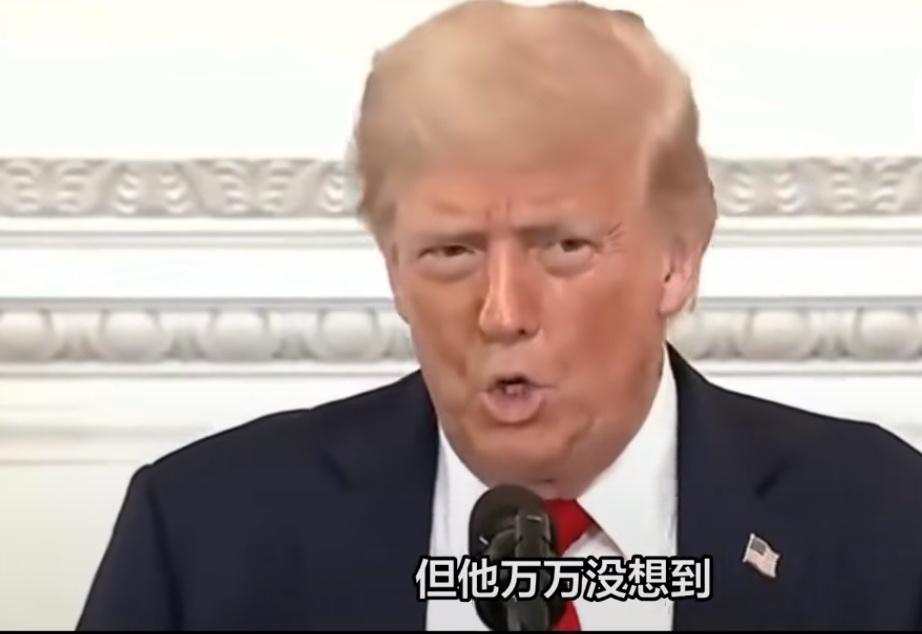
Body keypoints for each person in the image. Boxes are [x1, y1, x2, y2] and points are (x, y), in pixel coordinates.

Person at [77, 1, 922, 630]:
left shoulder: (887, 525)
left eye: (563, 247)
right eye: (451, 252)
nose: (503, 312)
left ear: (677, 259)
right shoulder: (200, 535)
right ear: (394, 269)